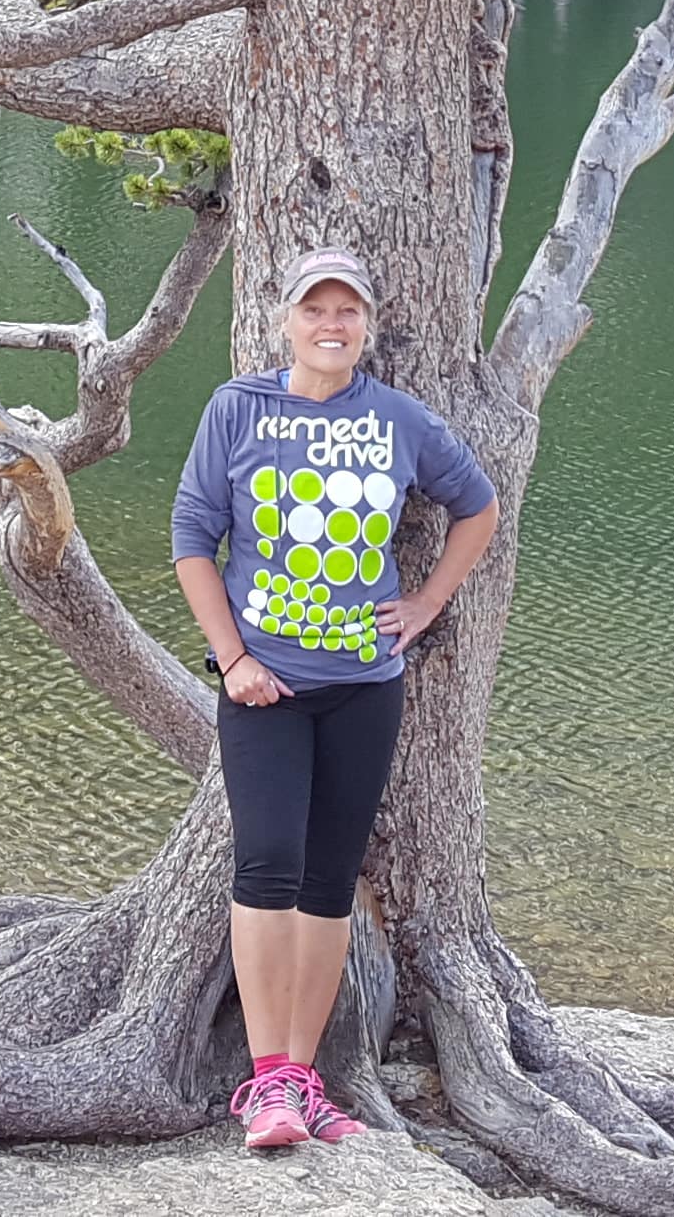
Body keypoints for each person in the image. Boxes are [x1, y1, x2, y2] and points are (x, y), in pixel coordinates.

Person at [167, 247, 501, 1152]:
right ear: (286, 322)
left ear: (366, 326)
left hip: (364, 688)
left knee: (328, 886)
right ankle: (265, 1081)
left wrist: (428, 602)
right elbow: (193, 535)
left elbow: (478, 505)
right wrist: (229, 657)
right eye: (314, 310)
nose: (330, 325)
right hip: (265, 689)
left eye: (346, 311)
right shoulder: (240, 409)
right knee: (266, 868)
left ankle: (303, 1079)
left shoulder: (398, 421)